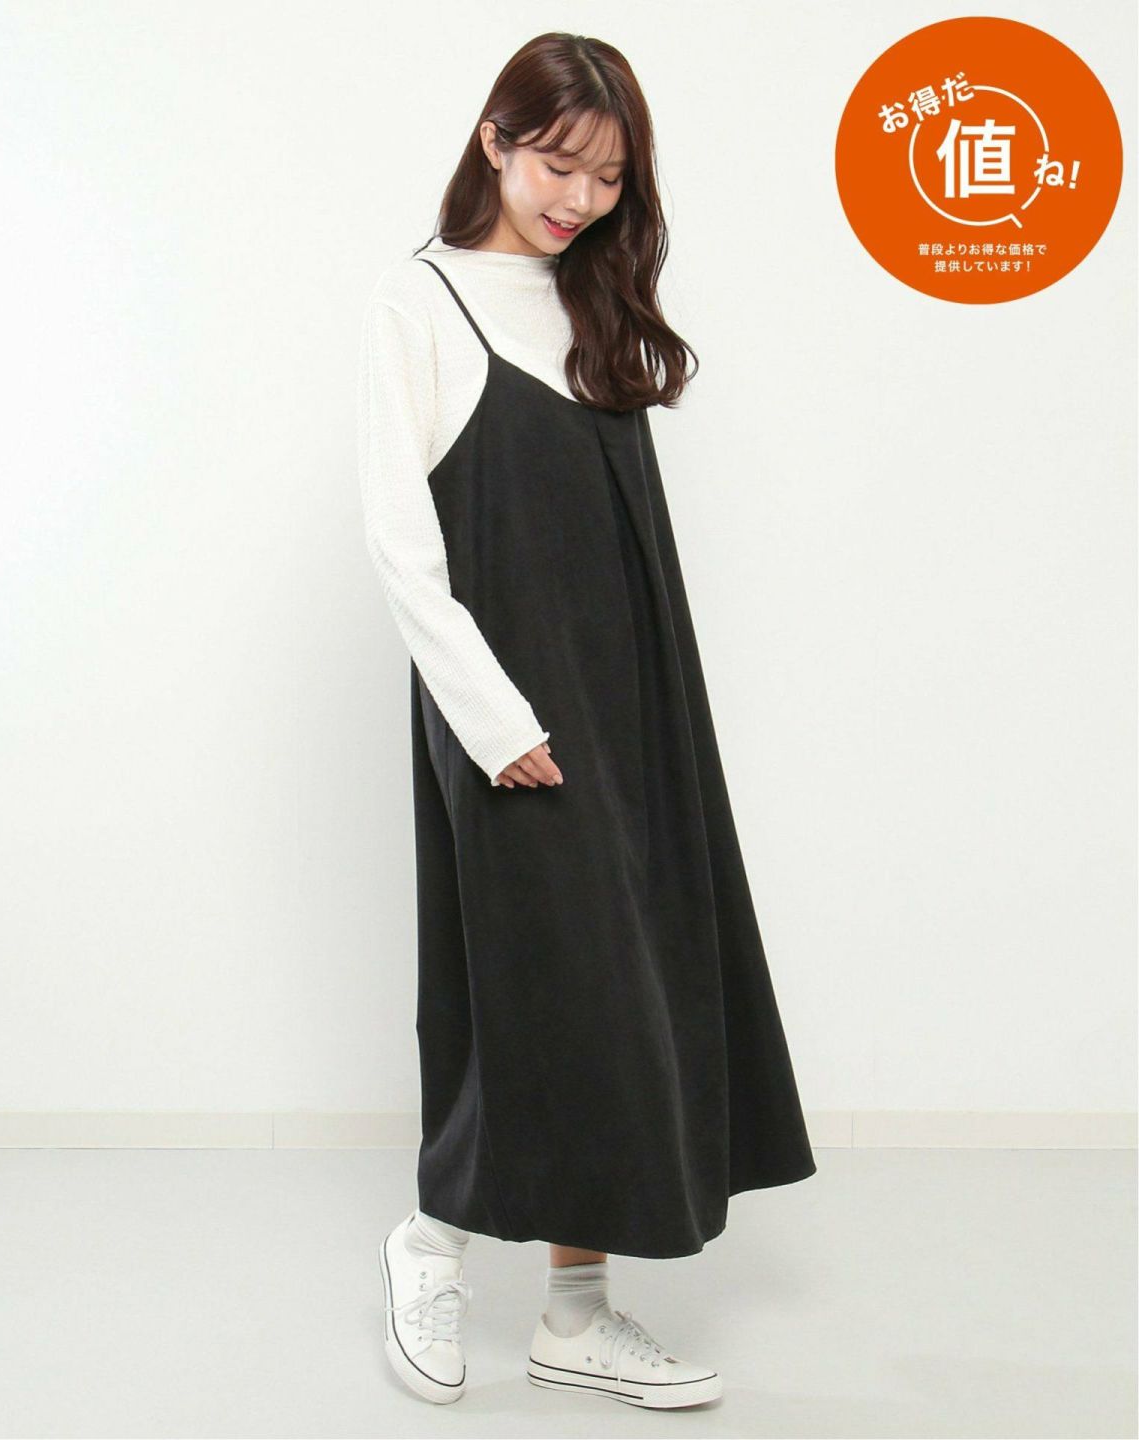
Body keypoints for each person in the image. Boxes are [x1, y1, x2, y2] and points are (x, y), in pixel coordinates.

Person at [357, 31, 816, 1411]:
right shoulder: (422, 301)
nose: (580, 199)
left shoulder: (591, 294)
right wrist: (494, 720)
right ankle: (428, 1245)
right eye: (560, 163)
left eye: (610, 178)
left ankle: (575, 1313)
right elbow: (400, 544)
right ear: (495, 138)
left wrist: (652, 714)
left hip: (634, 700)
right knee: (524, 982)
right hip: (506, 709)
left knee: (630, 987)